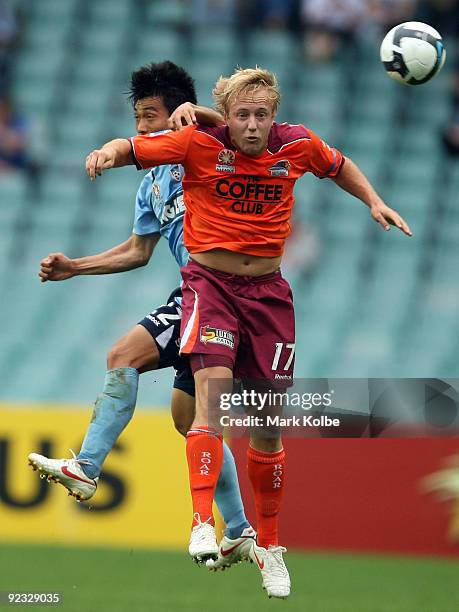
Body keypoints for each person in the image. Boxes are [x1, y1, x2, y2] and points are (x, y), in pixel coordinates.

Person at [85, 66, 412, 599]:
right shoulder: (197, 143)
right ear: (227, 117)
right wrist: (105, 151)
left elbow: (340, 165)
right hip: (209, 287)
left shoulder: (297, 145)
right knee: (207, 402)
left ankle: (271, 547)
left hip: (268, 298)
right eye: (243, 115)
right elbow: (132, 146)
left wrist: (373, 200)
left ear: (274, 116)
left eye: (262, 114)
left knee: (265, 428)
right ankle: (200, 523)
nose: (254, 125)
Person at [28, 61, 255, 570]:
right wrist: (76, 267)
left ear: (176, 113)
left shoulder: (206, 144)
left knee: (122, 353)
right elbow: (137, 250)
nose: (142, 129)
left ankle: (86, 467)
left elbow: (244, 129)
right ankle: (239, 530)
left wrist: (197, 115)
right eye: (137, 118)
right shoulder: (152, 181)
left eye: (151, 115)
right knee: (189, 421)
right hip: (199, 293)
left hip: (223, 292)